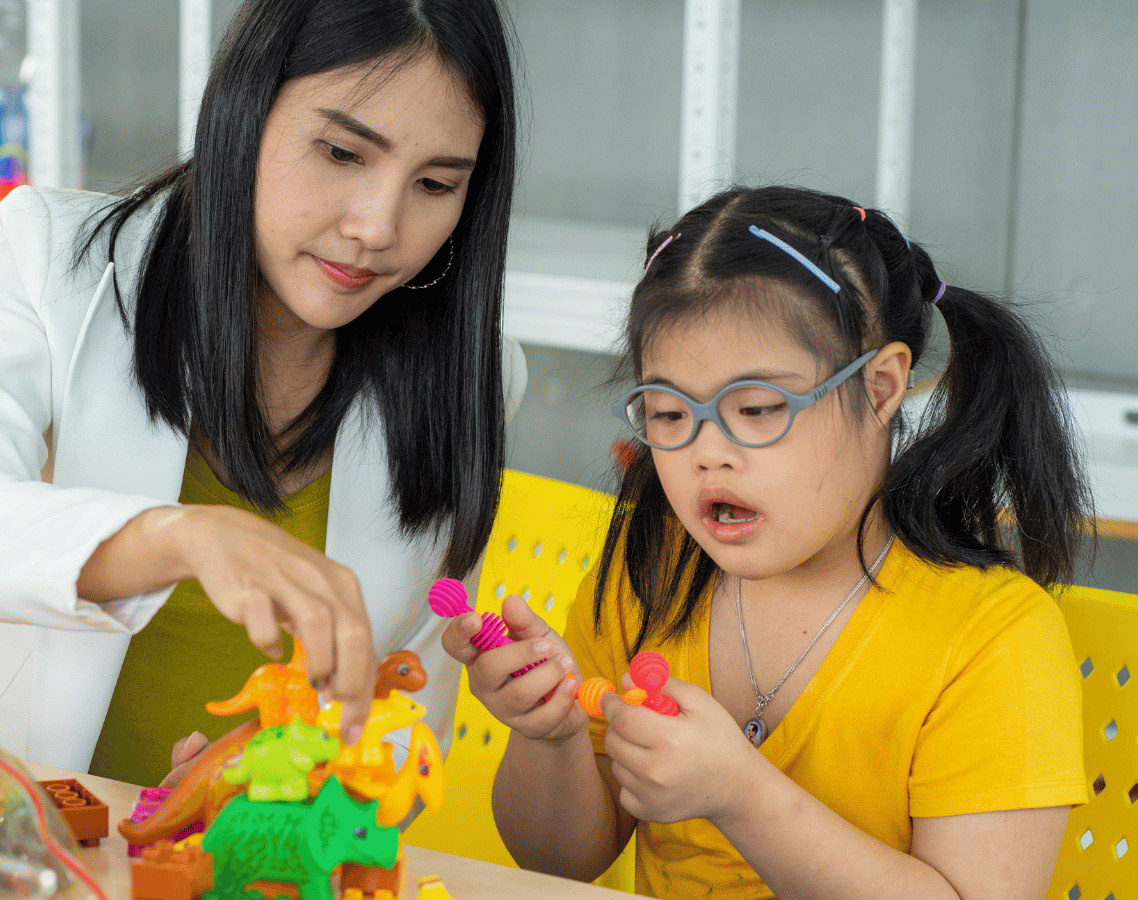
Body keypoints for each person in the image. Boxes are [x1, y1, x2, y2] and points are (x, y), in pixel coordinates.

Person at [0, 0, 524, 781]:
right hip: (1, 815)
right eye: (341, 152)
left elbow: (404, 722)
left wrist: (272, 803)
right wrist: (183, 538)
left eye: (434, 183)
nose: (378, 227)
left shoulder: (472, 375)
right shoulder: (56, 257)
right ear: (243, 112)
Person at [446, 185, 1090, 898]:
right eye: (668, 412)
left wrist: (742, 795)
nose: (707, 454)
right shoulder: (650, 571)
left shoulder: (993, 639)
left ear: (882, 388)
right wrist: (552, 735)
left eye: (756, 409)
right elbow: (561, 863)